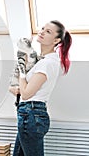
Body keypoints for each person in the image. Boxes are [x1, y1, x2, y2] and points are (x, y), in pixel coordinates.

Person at [9, 20, 72, 156]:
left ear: (56, 40)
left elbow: (26, 94)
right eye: (43, 28)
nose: (42, 32)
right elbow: (28, 90)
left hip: (31, 115)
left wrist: (22, 67)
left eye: (48, 31)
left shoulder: (48, 63)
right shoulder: (43, 61)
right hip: (29, 114)